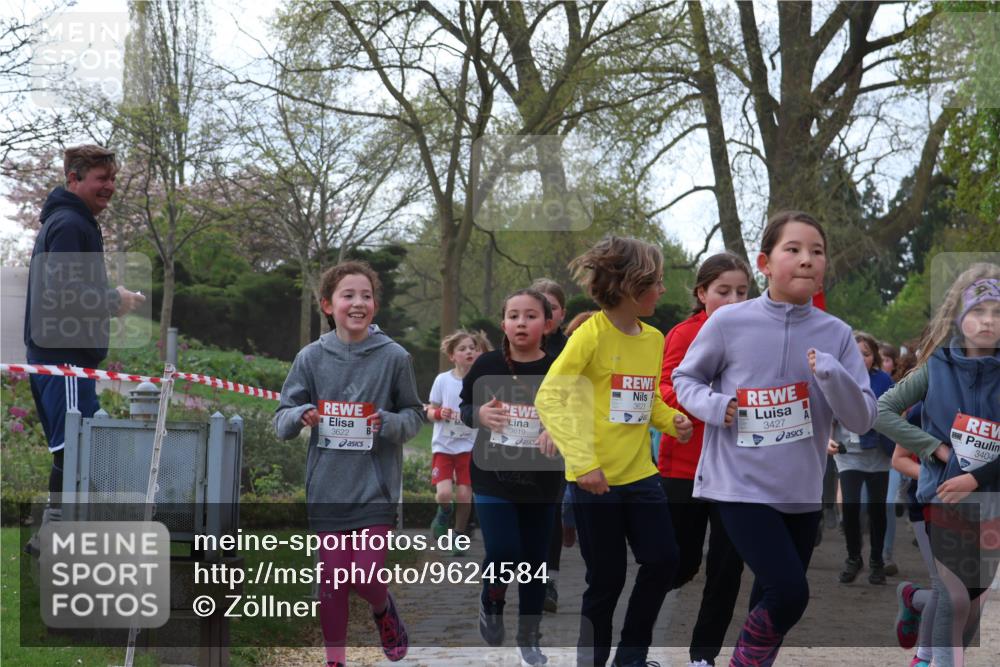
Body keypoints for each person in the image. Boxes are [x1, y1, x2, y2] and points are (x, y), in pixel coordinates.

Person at [672, 211, 878, 667]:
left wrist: (831, 374)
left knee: (773, 603)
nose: (807, 260)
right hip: (738, 485)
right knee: (791, 591)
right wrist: (717, 407)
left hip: (801, 492)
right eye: (794, 250)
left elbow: (862, 418)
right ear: (765, 262)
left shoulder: (837, 335)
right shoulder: (729, 322)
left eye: (817, 252)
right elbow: (686, 380)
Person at [536, 236, 694, 667]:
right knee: (606, 580)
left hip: (641, 475)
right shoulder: (589, 335)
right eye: (656, 281)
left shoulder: (654, 338)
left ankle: (631, 657)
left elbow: (644, 398)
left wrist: (670, 420)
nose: (662, 290)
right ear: (629, 285)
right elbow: (550, 397)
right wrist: (583, 463)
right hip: (595, 481)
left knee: (664, 561)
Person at [274, 260, 423, 667]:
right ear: (327, 305)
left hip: (375, 487)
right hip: (327, 489)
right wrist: (300, 415)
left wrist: (388, 422)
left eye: (366, 296)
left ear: (375, 304)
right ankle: (334, 661)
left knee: (364, 576)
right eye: (348, 295)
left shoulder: (394, 356)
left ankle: (382, 609)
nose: (358, 303)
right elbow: (281, 415)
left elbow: (414, 414)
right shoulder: (310, 357)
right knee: (333, 583)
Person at [874, 265, 1000, 667]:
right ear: (960, 317)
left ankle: (916, 610)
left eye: (998, 313)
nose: (988, 321)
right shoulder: (936, 369)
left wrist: (974, 478)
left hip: (991, 502)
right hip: (940, 501)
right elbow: (882, 411)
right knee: (955, 596)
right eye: (979, 311)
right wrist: (937, 451)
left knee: (975, 599)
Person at [23, 144, 145, 547]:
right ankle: (57, 534)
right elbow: (62, 292)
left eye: (112, 178)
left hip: (63, 354)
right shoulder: (71, 224)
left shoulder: (74, 222)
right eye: (100, 178)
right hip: (64, 356)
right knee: (76, 445)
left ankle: (55, 532)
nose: (109, 186)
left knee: (79, 444)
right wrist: (116, 301)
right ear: (73, 179)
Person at [459, 288, 563, 666]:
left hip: (543, 478)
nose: (522, 322)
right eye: (514, 315)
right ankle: (492, 597)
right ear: (503, 323)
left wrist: (559, 430)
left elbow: (574, 414)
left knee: (534, 562)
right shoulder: (487, 365)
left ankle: (529, 639)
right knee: (504, 551)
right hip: (493, 474)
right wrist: (479, 416)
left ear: (547, 324)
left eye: (531, 316)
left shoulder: (558, 368)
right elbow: (465, 409)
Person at [658, 252, 750, 667]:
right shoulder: (683, 332)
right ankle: (639, 627)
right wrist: (713, 406)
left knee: (727, 567)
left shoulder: (757, 333)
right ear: (701, 293)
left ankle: (703, 655)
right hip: (684, 465)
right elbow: (666, 390)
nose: (733, 300)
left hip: (738, 469)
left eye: (742, 292)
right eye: (723, 291)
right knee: (681, 561)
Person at [828, 331, 895, 585]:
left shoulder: (884, 381)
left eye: (866, 354)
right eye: (854, 354)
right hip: (848, 455)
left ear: (874, 357)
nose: (860, 359)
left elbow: (895, 413)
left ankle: (877, 561)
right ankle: (854, 557)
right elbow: (825, 414)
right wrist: (827, 438)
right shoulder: (835, 381)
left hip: (878, 454)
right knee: (852, 508)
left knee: (878, 511)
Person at [426, 330, 489, 549]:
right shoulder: (442, 380)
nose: (468, 351)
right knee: (444, 494)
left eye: (472, 348)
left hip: (469, 445)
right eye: (462, 349)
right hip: (443, 445)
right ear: (452, 356)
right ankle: (444, 513)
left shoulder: (482, 381)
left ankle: (459, 535)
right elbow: (430, 409)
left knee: (464, 495)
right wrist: (437, 413)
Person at [530, 277, 570, 612]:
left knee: (551, 510)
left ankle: (548, 582)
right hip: (513, 443)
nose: (544, 313)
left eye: (551, 307)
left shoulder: (571, 348)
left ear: (561, 313)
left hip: (557, 443)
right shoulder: (511, 346)